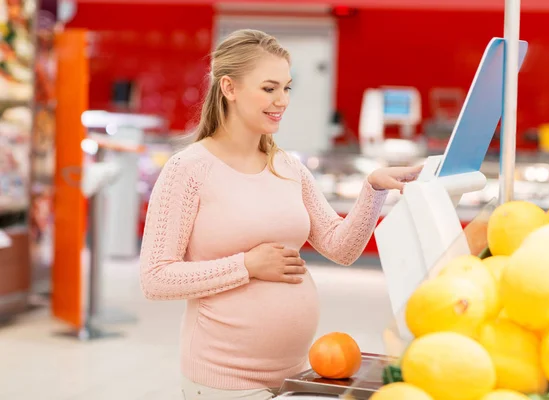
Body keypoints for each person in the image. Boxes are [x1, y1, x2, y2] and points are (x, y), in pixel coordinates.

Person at [139, 29, 422, 400]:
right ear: (229, 88)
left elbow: (342, 248)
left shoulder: (287, 166)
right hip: (223, 384)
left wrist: (374, 190)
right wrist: (247, 265)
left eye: (287, 88)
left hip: (295, 374)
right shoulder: (188, 169)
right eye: (269, 88)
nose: (282, 100)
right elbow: (156, 278)